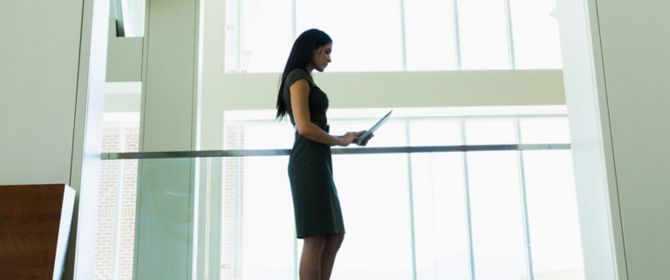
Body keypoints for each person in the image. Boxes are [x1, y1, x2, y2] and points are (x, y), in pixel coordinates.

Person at [275, 29, 369, 280]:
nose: (329, 58)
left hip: (318, 160)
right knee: (315, 237)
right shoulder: (298, 78)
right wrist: (339, 140)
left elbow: (311, 127)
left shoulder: (305, 78)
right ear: (311, 49)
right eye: (326, 51)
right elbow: (305, 127)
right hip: (308, 161)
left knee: (334, 235)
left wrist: (344, 137)